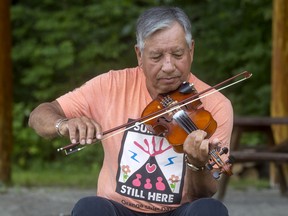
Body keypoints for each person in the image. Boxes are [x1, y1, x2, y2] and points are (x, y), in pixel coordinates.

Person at [29, 6, 233, 216]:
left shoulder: (214, 105)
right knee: (89, 207)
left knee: (210, 210)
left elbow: (205, 192)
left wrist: (197, 164)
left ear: (191, 50)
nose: (169, 66)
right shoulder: (110, 85)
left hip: (178, 211)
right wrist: (63, 124)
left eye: (178, 54)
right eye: (156, 57)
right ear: (139, 55)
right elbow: (40, 115)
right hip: (119, 210)